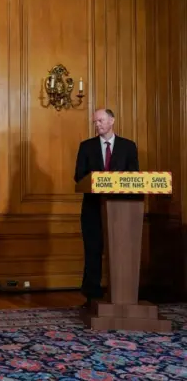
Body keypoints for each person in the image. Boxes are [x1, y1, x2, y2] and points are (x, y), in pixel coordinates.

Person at [74, 108, 139, 308]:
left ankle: (122, 295)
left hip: (122, 210)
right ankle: (92, 295)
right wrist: (99, 181)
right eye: (95, 122)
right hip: (93, 208)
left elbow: (134, 176)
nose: (97, 125)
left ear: (112, 121)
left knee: (121, 252)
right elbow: (79, 176)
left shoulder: (128, 146)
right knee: (93, 250)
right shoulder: (86, 146)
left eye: (101, 121)